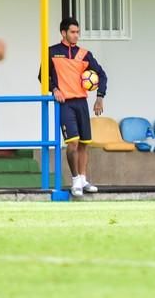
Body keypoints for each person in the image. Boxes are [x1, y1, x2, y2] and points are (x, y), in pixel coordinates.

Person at [39, 17, 107, 197]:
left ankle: (83, 180)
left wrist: (99, 97)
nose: (76, 35)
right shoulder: (52, 52)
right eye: (73, 32)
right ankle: (75, 179)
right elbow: (42, 76)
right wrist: (54, 89)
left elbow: (102, 75)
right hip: (65, 103)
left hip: (82, 103)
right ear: (63, 33)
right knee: (73, 143)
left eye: (78, 32)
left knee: (85, 143)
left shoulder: (85, 54)